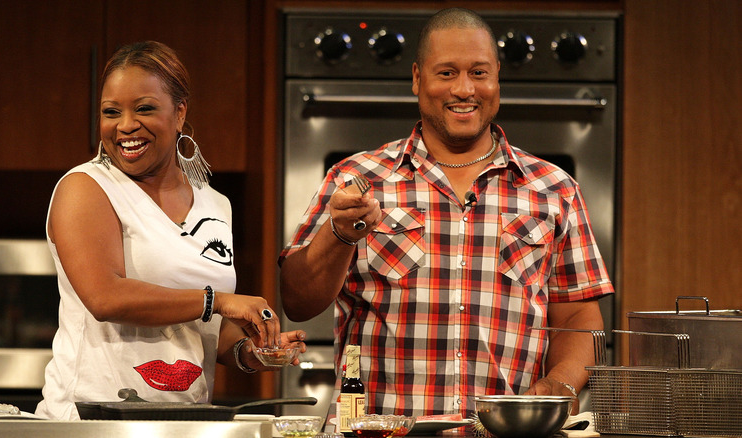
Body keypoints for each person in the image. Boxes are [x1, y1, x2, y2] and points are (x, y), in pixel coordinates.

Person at [279, 8, 613, 419]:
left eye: (478, 72)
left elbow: (579, 314)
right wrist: (339, 234)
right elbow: (296, 300)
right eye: (447, 73)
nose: (464, 89)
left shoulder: (555, 189)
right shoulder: (356, 178)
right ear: (418, 78)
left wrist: (556, 386)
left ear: (496, 78)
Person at [36, 41, 304, 420]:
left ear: (179, 113)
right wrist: (221, 301)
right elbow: (104, 297)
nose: (125, 125)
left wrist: (252, 352)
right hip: (90, 419)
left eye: (144, 108)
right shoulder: (85, 188)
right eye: (111, 112)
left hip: (183, 421)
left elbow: (205, 328)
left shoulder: (215, 204)